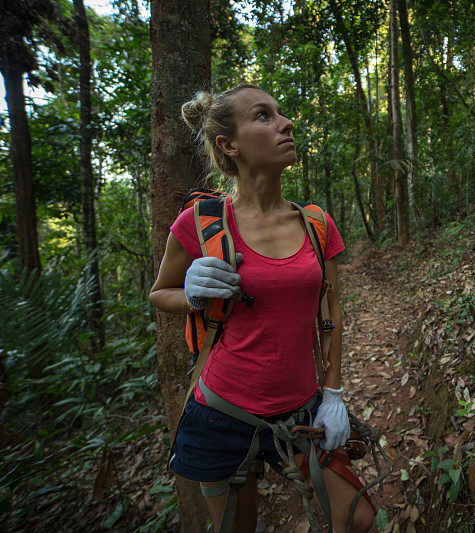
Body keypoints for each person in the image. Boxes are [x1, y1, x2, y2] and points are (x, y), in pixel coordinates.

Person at [149, 84, 375, 533]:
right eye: (263, 116)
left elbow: (331, 312)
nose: (285, 122)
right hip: (221, 411)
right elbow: (160, 293)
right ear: (228, 146)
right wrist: (191, 293)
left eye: (281, 114)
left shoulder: (315, 223)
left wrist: (333, 396)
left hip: (301, 410)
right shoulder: (200, 222)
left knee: (359, 518)